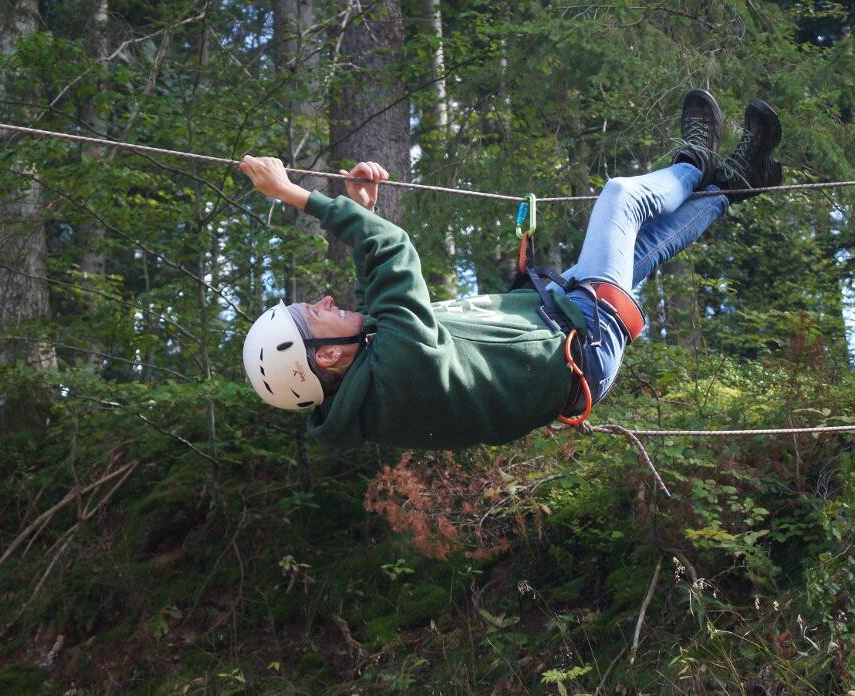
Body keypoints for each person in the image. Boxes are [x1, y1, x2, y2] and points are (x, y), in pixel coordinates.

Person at [239, 90, 782, 449]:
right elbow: (392, 252)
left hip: (570, 337)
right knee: (623, 200)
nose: (326, 302)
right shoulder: (398, 367)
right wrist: (291, 192)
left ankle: (735, 182)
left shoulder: (377, 395)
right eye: (313, 313)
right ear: (327, 356)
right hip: (579, 334)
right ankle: (693, 162)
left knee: (653, 241)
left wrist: (361, 209)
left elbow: (376, 286)